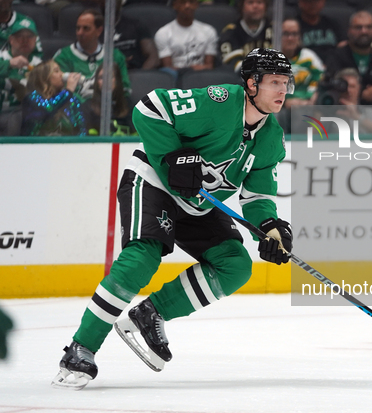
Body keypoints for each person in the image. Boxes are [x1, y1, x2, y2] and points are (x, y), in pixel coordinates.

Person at [51, 47, 294, 390]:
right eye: (274, 82)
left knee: (236, 265)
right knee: (141, 259)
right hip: (154, 181)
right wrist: (173, 158)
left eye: (286, 83)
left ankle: (151, 313)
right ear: (251, 84)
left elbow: (256, 196)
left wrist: (269, 227)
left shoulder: (271, 139)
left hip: (200, 203)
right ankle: (80, 348)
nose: (283, 91)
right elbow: (149, 107)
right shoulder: (219, 101)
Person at [324, 10, 372, 105]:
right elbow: (331, 85)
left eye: (369, 27)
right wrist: (363, 93)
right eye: (358, 27)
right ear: (349, 30)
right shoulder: (336, 56)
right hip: (344, 109)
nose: (364, 31)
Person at [53, 8, 131, 100]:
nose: (80, 32)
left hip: (108, 110)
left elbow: (125, 89)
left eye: (86, 28)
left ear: (99, 31)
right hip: (76, 111)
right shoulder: (63, 56)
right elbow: (60, 91)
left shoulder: (115, 56)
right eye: (78, 28)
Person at [155, 0, 218, 84]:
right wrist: (187, 70)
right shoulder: (163, 33)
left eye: (191, 2)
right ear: (174, 5)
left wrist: (193, 70)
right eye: (182, 2)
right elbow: (168, 67)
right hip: (176, 78)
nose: (187, 6)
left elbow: (209, 66)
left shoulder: (209, 31)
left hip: (202, 77)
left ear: (196, 5)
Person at [21, 60, 87, 136]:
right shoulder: (31, 98)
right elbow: (48, 108)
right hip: (37, 145)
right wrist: (68, 90)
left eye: (61, 70)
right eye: (56, 71)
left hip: (66, 145)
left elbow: (81, 129)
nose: (62, 74)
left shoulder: (72, 99)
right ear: (44, 78)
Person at [0, 20, 42, 135]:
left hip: (27, 115)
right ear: (11, 40)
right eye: (19, 37)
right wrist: (9, 64)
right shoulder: (2, 58)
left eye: (29, 37)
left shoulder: (39, 65)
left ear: (35, 40)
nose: (25, 41)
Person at [99, 0, 160, 71]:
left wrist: (141, 76)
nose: (111, 2)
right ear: (100, 1)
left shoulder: (135, 25)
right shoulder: (93, 29)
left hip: (134, 72)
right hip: (104, 75)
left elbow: (153, 58)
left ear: (121, 1)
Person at [219, 0, 272, 72]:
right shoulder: (231, 32)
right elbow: (231, 63)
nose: (255, 6)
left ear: (266, 7)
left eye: (259, 2)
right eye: (250, 2)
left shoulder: (275, 30)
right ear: (241, 7)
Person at [281, 18, 324, 109]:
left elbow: (321, 80)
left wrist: (313, 97)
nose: (290, 38)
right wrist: (285, 102)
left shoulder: (308, 57)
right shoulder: (269, 58)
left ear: (299, 36)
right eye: (286, 34)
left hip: (307, 105)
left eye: (294, 34)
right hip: (280, 108)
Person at [81, 63, 134, 135]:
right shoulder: (88, 106)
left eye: (110, 77)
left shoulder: (128, 105)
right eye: (101, 77)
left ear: (117, 80)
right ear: (97, 82)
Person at [296, 0, 346, 65]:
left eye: (316, 0)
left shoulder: (333, 24)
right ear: (300, 2)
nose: (312, 4)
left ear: (323, 1)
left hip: (332, 66)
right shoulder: (295, 26)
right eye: (308, 0)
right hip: (305, 66)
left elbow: (343, 45)